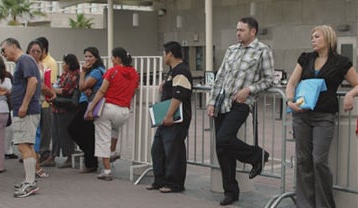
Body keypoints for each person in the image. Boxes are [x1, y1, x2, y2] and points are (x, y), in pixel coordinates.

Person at [286, 25, 358, 208]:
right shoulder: (306, 58)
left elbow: (357, 84)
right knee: (303, 160)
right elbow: (292, 82)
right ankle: (305, 204)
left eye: (316, 36)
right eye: (312, 36)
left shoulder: (341, 62)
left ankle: (324, 205)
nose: (313, 39)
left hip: (324, 116)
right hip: (301, 115)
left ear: (328, 38)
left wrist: (350, 95)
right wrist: (289, 101)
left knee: (318, 160)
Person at [206, 17, 274, 206]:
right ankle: (231, 192)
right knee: (221, 149)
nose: (238, 33)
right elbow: (220, 77)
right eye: (237, 29)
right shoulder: (231, 50)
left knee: (224, 139)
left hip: (242, 103)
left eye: (242, 30)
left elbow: (269, 80)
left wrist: (249, 90)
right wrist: (212, 101)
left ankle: (258, 156)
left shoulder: (263, 51)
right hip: (222, 102)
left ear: (253, 31)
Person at [85, 47, 139, 181]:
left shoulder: (112, 71)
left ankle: (107, 170)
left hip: (108, 108)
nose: (111, 60)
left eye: (113, 57)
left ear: (118, 58)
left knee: (102, 138)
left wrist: (91, 108)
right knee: (114, 129)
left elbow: (102, 91)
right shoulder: (134, 73)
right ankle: (113, 151)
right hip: (124, 112)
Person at [147, 41, 192, 193]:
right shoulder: (173, 71)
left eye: (164, 53)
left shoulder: (182, 71)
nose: (163, 56)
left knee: (174, 151)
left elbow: (178, 95)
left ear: (170, 54)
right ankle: (159, 180)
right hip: (166, 119)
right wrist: (164, 83)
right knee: (157, 149)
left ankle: (175, 184)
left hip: (175, 119)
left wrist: (169, 115)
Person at [0, 38, 41, 198]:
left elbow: (33, 81)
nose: (3, 53)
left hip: (26, 111)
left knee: (23, 146)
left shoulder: (24, 59)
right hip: (24, 109)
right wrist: (10, 93)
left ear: (14, 46)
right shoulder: (24, 61)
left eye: (4, 49)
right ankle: (30, 180)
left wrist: (24, 105)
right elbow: (26, 84)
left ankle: (30, 182)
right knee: (27, 146)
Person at [68, 47, 105, 173]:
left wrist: (83, 73)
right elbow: (82, 87)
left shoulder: (96, 71)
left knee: (73, 128)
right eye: (86, 56)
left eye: (90, 56)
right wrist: (84, 86)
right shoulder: (91, 71)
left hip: (89, 104)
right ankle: (91, 160)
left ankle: (91, 158)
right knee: (86, 133)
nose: (88, 59)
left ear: (96, 58)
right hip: (85, 102)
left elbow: (82, 86)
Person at [41, 54, 79, 169]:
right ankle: (53, 156)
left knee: (65, 133)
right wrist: (53, 90)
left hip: (66, 108)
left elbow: (66, 90)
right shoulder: (65, 74)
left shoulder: (75, 75)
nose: (62, 65)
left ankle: (69, 157)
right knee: (55, 133)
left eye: (64, 63)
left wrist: (52, 90)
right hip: (57, 106)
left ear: (69, 64)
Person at [26, 40, 53, 178]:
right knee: (32, 137)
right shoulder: (26, 65)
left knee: (38, 135)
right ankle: (35, 167)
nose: (36, 54)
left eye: (38, 51)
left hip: (41, 103)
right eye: (33, 51)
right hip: (30, 104)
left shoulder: (43, 66)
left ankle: (35, 166)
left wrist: (50, 94)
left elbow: (46, 85)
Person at [36, 37, 58, 163]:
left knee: (46, 129)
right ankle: (35, 152)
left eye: (38, 50)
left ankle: (44, 152)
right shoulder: (36, 62)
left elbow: (51, 83)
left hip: (45, 101)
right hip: (36, 101)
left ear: (43, 49)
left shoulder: (51, 62)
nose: (35, 53)